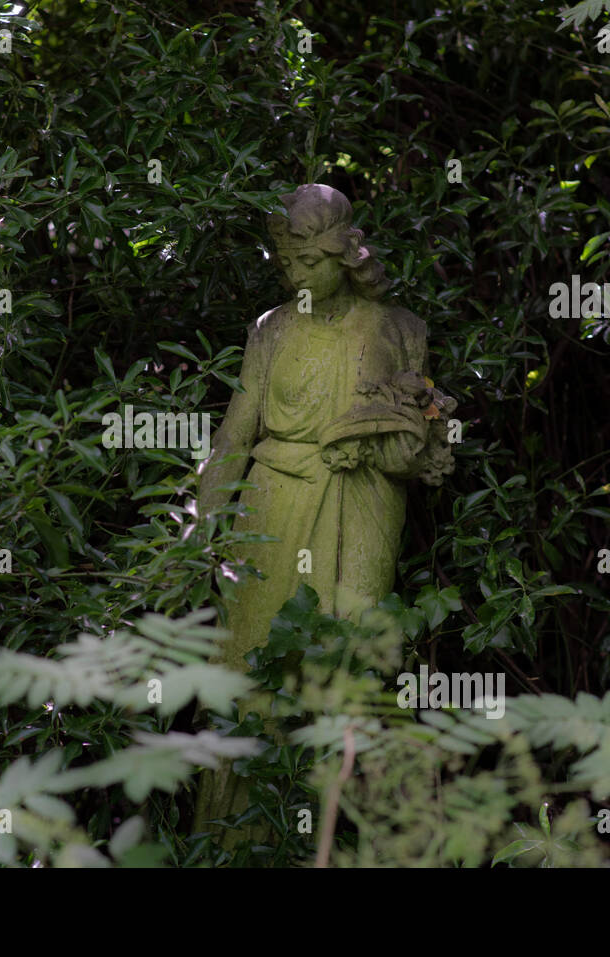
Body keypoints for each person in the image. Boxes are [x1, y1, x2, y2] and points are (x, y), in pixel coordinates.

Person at [192, 184, 455, 842]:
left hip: (365, 503)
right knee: (253, 665)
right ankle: (234, 842)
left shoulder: (402, 330)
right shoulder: (270, 329)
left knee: (353, 665)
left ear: (345, 254)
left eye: (309, 262)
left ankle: (330, 841)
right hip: (275, 502)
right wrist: (196, 531)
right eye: (288, 265)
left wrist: (414, 431)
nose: (297, 276)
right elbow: (234, 435)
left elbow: (418, 443)